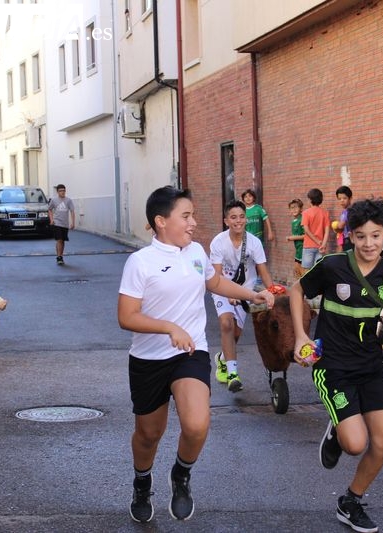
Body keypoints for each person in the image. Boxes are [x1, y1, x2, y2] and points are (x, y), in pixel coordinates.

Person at [117, 186, 273, 524]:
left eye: (193, 216)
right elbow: (126, 316)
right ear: (161, 221)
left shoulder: (196, 252)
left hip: (191, 353)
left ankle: (181, 475)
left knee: (197, 424)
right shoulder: (140, 263)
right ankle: (142, 483)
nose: (193, 223)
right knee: (148, 434)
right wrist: (169, 328)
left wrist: (252, 295)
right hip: (148, 359)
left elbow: (215, 283)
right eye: (185, 216)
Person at [289, 198, 383, 533]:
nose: (368, 244)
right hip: (333, 368)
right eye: (361, 237)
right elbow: (297, 291)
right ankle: (339, 431)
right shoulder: (332, 266)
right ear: (350, 237)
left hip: (371, 366)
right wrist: (301, 337)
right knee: (355, 444)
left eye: (375, 236)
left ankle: (350, 501)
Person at [210, 200, 275, 393]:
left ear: (245, 219)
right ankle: (233, 375)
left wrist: (273, 293)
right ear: (226, 220)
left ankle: (222, 359)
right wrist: (227, 293)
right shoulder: (218, 242)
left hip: (246, 291)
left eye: (241, 217)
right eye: (233, 217)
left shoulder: (254, 242)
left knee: (236, 334)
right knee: (226, 323)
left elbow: (263, 271)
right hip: (222, 288)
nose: (238, 221)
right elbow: (217, 274)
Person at [300, 188, 330, 270]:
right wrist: (323, 244)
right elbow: (327, 231)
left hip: (308, 246)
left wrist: (316, 240)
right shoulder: (325, 213)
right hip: (320, 246)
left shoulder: (306, 213)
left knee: (307, 271)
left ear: (310, 200)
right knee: (318, 271)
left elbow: (306, 229)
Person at [48, 184, 75, 265]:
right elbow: (49, 210)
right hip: (57, 223)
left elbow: (72, 212)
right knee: (59, 239)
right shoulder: (54, 200)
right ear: (57, 192)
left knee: (62, 241)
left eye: (64, 190)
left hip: (65, 224)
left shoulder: (68, 200)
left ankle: (60, 255)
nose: (62, 192)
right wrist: (52, 219)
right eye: (60, 191)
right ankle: (59, 257)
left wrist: (73, 223)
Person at [286, 198, 305, 280]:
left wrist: (292, 238)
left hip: (303, 248)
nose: (294, 209)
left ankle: (303, 289)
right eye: (292, 208)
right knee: (297, 271)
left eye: (296, 207)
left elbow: (306, 235)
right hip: (298, 249)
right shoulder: (293, 221)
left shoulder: (302, 219)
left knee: (300, 271)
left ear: (301, 209)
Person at [334, 186, 354, 251]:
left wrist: (335, 225)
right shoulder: (347, 211)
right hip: (348, 239)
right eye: (339, 199)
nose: (342, 201)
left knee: (349, 259)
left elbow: (341, 226)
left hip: (349, 239)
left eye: (344, 198)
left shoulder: (347, 211)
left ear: (350, 198)